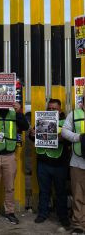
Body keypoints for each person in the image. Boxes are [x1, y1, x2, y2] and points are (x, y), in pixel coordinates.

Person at [29, 99, 70, 228]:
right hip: (43, 162)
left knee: (61, 192)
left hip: (59, 164)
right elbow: (33, 138)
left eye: (54, 109)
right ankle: (43, 214)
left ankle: (63, 216)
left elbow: (70, 142)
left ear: (60, 110)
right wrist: (32, 134)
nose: (52, 110)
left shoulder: (65, 123)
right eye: (50, 108)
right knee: (44, 191)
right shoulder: (41, 120)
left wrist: (62, 138)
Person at [61, 95, 85, 235]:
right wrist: (79, 137)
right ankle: (78, 225)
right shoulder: (74, 114)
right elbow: (64, 131)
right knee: (78, 196)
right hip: (78, 163)